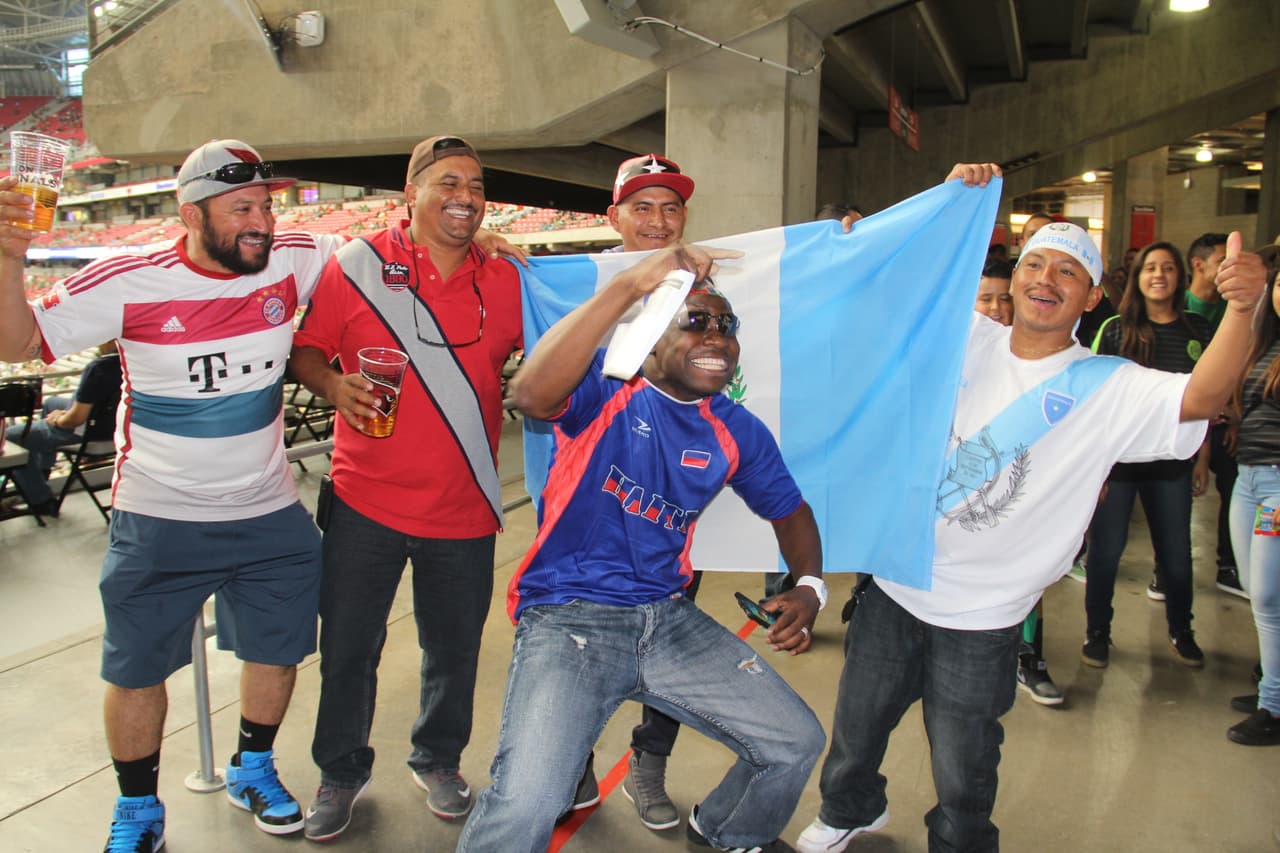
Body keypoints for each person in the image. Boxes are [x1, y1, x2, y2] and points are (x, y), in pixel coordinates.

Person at [796, 162, 1266, 853]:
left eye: (1066, 272)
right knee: (856, 728)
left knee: (965, 767)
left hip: (985, 618)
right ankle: (849, 809)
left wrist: (1245, 309)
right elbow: (875, 286)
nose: (1045, 279)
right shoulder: (966, 335)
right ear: (1013, 278)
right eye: (1035, 263)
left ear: (1093, 295)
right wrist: (883, 229)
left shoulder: (1109, 386)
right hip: (894, 585)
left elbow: (1200, 398)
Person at [0, 139, 346, 852]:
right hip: (158, 513)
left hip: (270, 509)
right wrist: (9, 258)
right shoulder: (128, 279)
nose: (262, 222)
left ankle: (253, 766)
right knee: (135, 670)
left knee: (277, 651)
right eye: (241, 208)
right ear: (190, 214)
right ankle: (138, 810)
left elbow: (391, 253)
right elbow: (17, 342)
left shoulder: (296, 256)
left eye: (266, 206)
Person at [457, 243, 827, 853]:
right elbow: (531, 396)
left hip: (667, 619)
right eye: (696, 320)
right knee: (528, 802)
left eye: (726, 325)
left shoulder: (734, 428)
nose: (717, 335)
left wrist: (809, 587)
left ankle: (725, 832)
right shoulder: (607, 387)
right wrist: (631, 286)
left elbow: (792, 513)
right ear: (653, 339)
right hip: (569, 616)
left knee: (795, 741)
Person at [291, 135, 523, 842]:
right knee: (350, 650)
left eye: (477, 186)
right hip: (366, 502)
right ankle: (340, 770)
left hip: (466, 506)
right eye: (449, 181)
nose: (466, 196)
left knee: (453, 650)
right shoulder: (357, 265)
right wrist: (333, 382)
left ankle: (438, 758)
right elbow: (306, 351)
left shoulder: (508, 278)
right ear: (412, 192)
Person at [562, 152, 703, 832]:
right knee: (574, 647)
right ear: (613, 215)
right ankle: (573, 757)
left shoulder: (716, 283)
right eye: (641, 207)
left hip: (674, 513)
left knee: (669, 654)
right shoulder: (575, 281)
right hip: (587, 513)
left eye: (670, 207)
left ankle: (650, 761)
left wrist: (848, 240)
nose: (657, 220)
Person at [1080, 241, 1213, 669]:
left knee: (1175, 553)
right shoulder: (1117, 329)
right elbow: (1095, 399)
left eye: (1168, 268)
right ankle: (1097, 632)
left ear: (1180, 277)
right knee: (1105, 551)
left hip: (1172, 466)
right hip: (1118, 465)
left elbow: (1204, 403)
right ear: (1137, 277)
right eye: (1150, 268)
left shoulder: (1197, 330)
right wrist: (1094, 466)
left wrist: (1203, 458)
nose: (1159, 275)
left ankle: (1182, 628)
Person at [1224, 261, 1280, 747]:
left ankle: (1275, 706)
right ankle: (1271, 688)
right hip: (1249, 480)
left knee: (1267, 597)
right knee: (1255, 589)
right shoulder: (1266, 344)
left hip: (1278, 486)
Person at [1185, 232, 1245, 597]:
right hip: (1186, 421)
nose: (1230, 269)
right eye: (1223, 260)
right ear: (1199, 265)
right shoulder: (1178, 308)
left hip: (1225, 423)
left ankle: (1228, 564)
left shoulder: (1233, 310)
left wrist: (1235, 413)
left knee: (1234, 485)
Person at [2, 339, 121, 516]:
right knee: (51, 402)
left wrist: (57, 420)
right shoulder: (132, 363)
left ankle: (42, 500)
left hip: (89, 430)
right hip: (113, 425)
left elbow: (76, 418)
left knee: (13, 436)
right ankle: (44, 469)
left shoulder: (99, 368)